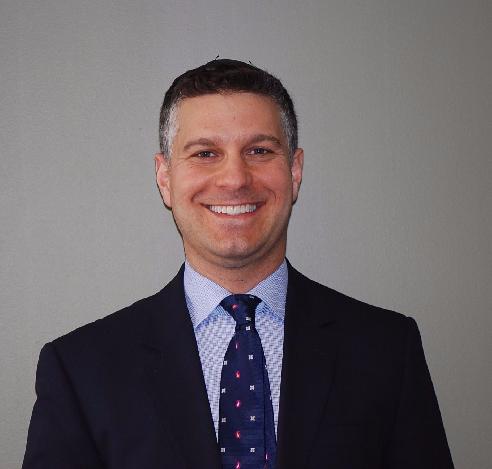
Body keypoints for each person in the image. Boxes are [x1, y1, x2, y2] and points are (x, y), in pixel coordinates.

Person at [23, 59, 454, 469]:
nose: (235, 179)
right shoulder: (80, 370)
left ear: (295, 171)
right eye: (205, 153)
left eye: (260, 150)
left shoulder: (386, 351)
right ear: (165, 178)